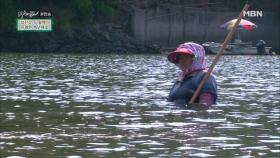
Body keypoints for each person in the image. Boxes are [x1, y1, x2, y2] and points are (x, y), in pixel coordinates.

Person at [167, 42, 217, 107]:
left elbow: (206, 105)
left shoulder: (205, 77)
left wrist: (195, 110)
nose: (182, 61)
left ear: (196, 58)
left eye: (186, 57)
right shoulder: (181, 78)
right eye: (180, 58)